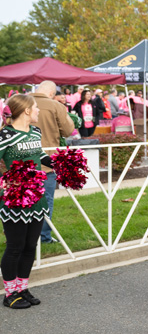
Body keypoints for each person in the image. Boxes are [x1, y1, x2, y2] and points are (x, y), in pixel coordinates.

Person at [0, 95, 51, 308]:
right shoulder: (5, 135)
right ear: (27, 110)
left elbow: (40, 155)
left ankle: (22, 288)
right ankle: (10, 294)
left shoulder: (35, 132)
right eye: (36, 107)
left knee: (30, 245)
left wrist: (63, 165)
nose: (38, 110)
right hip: (15, 199)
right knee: (15, 246)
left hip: (36, 198)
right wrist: (5, 180)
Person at [32, 81, 74, 244]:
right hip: (46, 162)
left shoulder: (19, 101)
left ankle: (22, 236)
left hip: (19, 162)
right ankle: (43, 237)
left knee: (22, 201)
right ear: (51, 93)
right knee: (45, 200)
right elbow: (68, 130)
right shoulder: (55, 105)